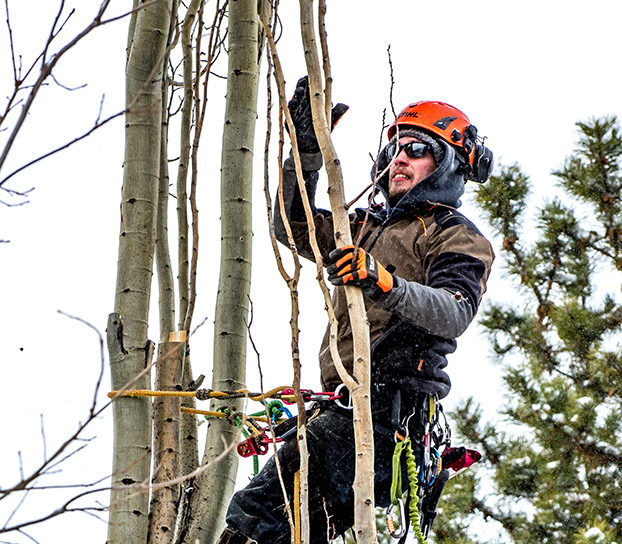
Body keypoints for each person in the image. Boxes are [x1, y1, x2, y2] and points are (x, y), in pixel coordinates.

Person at [217, 77, 495, 544]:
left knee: (260, 512)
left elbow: (453, 311)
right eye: (396, 149)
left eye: (417, 149)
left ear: (447, 164)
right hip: (346, 411)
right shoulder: (361, 225)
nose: (399, 158)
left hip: (390, 415)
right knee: (299, 528)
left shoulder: (456, 236)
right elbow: (292, 225)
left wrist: (385, 283)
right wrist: (305, 149)